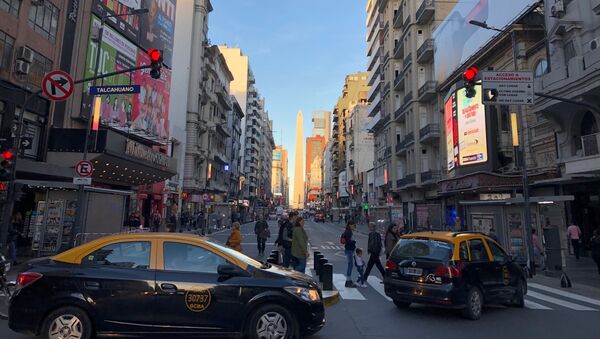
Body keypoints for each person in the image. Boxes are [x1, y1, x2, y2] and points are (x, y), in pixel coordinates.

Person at [341, 221, 357, 287]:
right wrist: (354, 242)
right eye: (353, 225)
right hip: (349, 249)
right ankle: (348, 281)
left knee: (350, 265)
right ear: (350, 225)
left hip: (349, 249)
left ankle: (349, 280)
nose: (354, 227)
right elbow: (348, 241)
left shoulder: (347, 231)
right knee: (350, 265)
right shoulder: (348, 232)